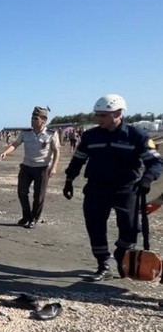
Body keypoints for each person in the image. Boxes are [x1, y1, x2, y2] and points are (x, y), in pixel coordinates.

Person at [63, 94, 162, 281]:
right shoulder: (90, 136)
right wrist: (69, 179)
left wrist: (147, 179)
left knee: (132, 229)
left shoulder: (136, 136)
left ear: (118, 113)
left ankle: (121, 251)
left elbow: (156, 162)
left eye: (103, 115)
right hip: (96, 188)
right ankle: (103, 265)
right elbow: (78, 159)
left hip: (126, 189)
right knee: (95, 226)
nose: (99, 119)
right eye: (98, 115)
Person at [0, 106, 61, 229]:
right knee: (22, 192)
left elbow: (56, 151)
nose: (32, 121)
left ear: (43, 120)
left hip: (42, 168)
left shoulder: (51, 134)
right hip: (26, 166)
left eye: (35, 119)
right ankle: (26, 216)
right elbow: (15, 144)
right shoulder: (26, 133)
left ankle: (34, 219)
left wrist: (54, 167)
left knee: (38, 196)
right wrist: (6, 152)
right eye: (31, 118)